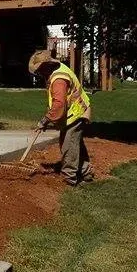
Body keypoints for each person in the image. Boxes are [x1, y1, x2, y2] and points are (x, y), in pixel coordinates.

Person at [28, 50, 94, 186]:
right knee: (74, 143)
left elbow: (59, 104)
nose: (39, 73)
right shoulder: (57, 70)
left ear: (46, 65)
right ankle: (86, 173)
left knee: (68, 145)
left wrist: (45, 120)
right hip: (76, 112)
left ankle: (68, 180)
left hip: (75, 113)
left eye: (39, 69)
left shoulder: (59, 79)